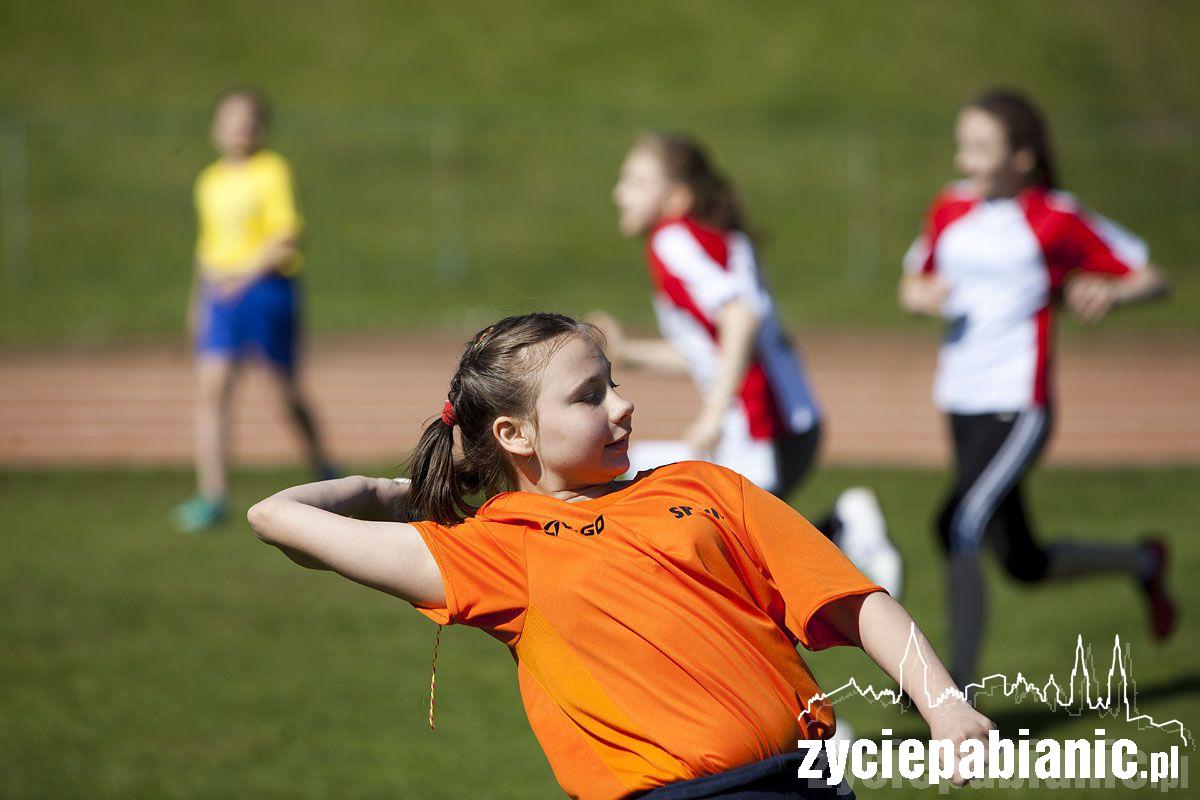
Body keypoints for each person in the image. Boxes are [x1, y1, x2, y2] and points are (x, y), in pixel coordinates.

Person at [247, 312, 994, 799]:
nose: (622, 406)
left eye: (615, 385)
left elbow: (854, 599)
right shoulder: (495, 551)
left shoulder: (705, 486)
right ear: (515, 436)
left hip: (810, 781)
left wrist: (944, 704)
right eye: (588, 396)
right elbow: (276, 517)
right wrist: (389, 491)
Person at [899, 88, 1176, 688]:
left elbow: (1153, 276)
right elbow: (913, 282)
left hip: (1018, 403)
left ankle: (956, 694)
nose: (964, 158)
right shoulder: (949, 207)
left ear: (1021, 157)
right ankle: (1143, 562)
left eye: (979, 146)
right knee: (1022, 561)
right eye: (961, 144)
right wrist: (922, 296)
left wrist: (1114, 290)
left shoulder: (1057, 216)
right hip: (961, 401)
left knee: (958, 523)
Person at [593, 133, 901, 597]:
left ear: (677, 197)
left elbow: (741, 319)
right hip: (785, 425)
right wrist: (630, 351)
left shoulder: (673, 240)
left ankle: (844, 527)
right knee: (740, 562)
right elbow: (709, 350)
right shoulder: (716, 240)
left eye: (635, 180)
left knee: (724, 560)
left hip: (763, 426)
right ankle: (839, 526)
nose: (620, 191)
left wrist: (714, 412)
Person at [173, 87, 336, 533]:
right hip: (220, 296)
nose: (240, 126)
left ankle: (324, 466)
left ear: (260, 127)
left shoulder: (271, 171)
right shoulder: (207, 180)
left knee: (281, 392)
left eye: (248, 119)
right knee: (212, 389)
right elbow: (205, 250)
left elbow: (287, 235)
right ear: (216, 127)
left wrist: (240, 278)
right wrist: (198, 303)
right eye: (231, 117)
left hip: (266, 290)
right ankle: (212, 496)